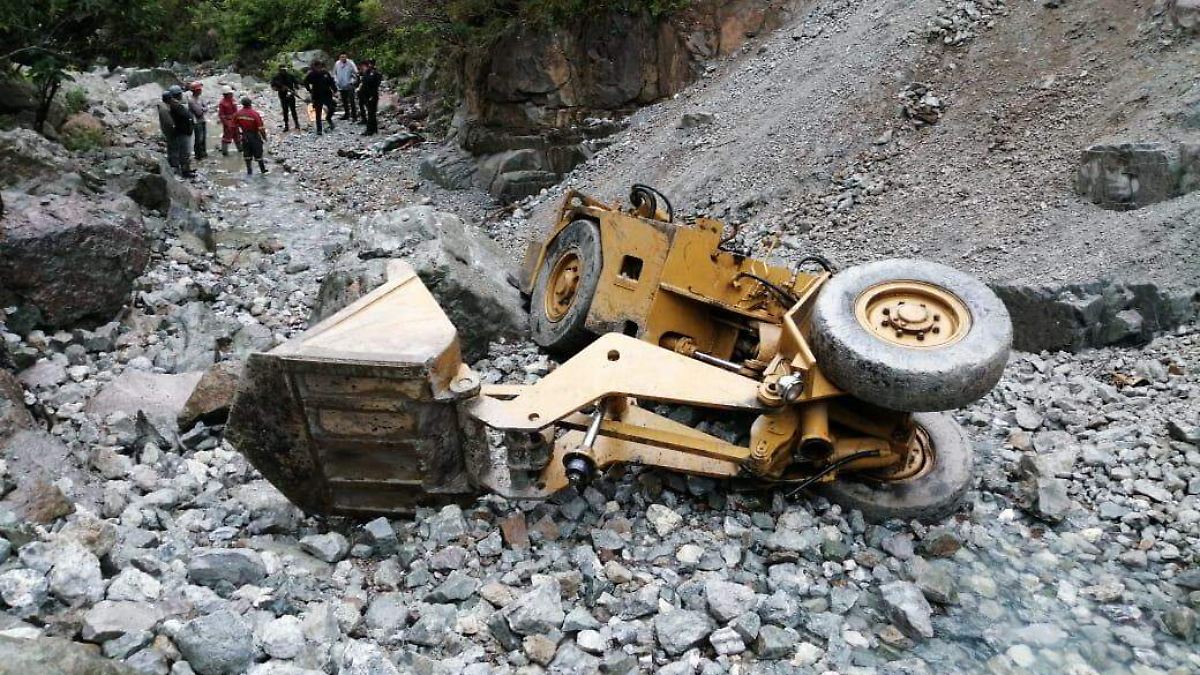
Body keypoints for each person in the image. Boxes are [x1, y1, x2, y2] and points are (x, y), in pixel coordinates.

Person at [232, 97, 269, 176]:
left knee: (247, 154)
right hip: (254, 136)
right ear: (250, 103)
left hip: (244, 136)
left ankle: (249, 171)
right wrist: (264, 138)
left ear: (242, 104)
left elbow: (234, 126)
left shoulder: (238, 114)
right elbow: (261, 128)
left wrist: (238, 136)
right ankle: (263, 170)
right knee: (258, 153)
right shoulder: (254, 114)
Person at [166, 86, 195, 178]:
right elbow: (187, 116)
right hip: (183, 132)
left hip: (183, 131)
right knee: (185, 152)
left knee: (185, 152)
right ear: (178, 95)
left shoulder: (175, 105)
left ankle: (186, 169)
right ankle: (185, 171)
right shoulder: (176, 106)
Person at [303, 60, 338, 135]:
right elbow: (305, 82)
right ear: (314, 67)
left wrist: (335, 90)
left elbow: (331, 82)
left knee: (332, 108)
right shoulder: (311, 74)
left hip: (327, 94)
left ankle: (328, 118)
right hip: (317, 95)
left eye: (320, 66)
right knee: (318, 113)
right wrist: (309, 90)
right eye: (317, 67)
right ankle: (319, 129)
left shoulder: (325, 73)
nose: (319, 68)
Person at [270, 64, 301, 132]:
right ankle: (286, 126)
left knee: (293, 110)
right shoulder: (276, 77)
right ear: (280, 70)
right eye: (282, 70)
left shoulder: (290, 75)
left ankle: (297, 124)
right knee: (285, 111)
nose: (284, 71)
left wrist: (296, 88)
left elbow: (296, 83)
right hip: (282, 96)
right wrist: (280, 89)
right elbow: (273, 86)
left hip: (291, 95)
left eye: (284, 70)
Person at [359, 59, 382, 137]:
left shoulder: (373, 73)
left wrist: (371, 95)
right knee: (371, 112)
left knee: (371, 113)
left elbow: (373, 84)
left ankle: (369, 130)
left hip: (371, 95)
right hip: (367, 95)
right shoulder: (367, 73)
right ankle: (374, 129)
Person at [333, 53, 359, 122]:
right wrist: (336, 81)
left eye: (344, 57)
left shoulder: (350, 63)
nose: (343, 59)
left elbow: (356, 72)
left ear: (346, 57)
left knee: (351, 100)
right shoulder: (337, 64)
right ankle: (346, 114)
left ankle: (354, 116)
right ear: (339, 58)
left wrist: (353, 81)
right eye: (341, 57)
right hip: (341, 85)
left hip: (349, 84)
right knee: (344, 101)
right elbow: (335, 73)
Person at [156, 90, 178, 169]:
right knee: (174, 147)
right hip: (169, 131)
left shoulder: (162, 107)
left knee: (171, 146)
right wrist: (175, 128)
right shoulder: (165, 109)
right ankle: (174, 164)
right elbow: (169, 122)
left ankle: (171, 161)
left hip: (165, 129)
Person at [187, 82, 208, 160]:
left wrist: (203, 109)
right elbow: (199, 112)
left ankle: (204, 153)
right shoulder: (191, 101)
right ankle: (198, 154)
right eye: (199, 89)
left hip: (202, 120)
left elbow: (206, 108)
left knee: (204, 138)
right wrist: (203, 109)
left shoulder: (201, 98)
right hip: (196, 121)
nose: (200, 90)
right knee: (199, 138)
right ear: (194, 91)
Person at [217, 87, 240, 156]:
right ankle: (225, 152)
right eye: (230, 93)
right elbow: (221, 115)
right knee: (226, 137)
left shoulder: (232, 100)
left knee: (237, 136)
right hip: (228, 121)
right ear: (226, 94)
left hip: (234, 120)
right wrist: (226, 123)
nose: (232, 94)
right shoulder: (222, 103)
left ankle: (240, 149)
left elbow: (236, 111)